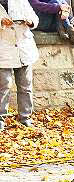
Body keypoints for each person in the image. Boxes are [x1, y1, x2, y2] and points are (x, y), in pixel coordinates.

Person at [0, 0, 37, 130]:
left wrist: (30, 21)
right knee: (4, 85)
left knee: (25, 85)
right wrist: (1, 22)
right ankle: (0, 118)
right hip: (3, 48)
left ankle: (25, 117)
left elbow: (34, 18)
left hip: (23, 47)